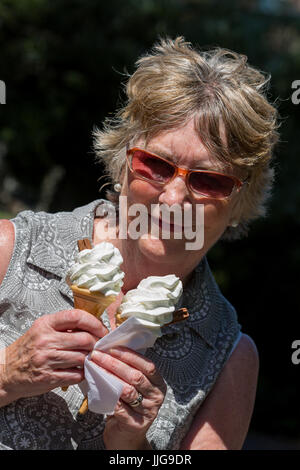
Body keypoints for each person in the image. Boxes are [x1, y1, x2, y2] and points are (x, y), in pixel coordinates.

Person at [0, 37, 278, 450]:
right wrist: (7, 375)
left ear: (241, 202)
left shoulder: (228, 355)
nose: (173, 199)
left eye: (208, 181)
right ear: (123, 162)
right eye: (156, 165)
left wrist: (132, 447)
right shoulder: (10, 250)